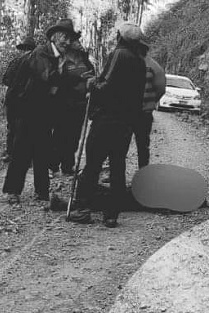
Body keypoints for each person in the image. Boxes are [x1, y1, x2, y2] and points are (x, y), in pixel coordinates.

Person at [70, 22, 147, 228]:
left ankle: (82, 209)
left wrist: (91, 83)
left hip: (107, 120)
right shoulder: (140, 61)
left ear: (120, 37)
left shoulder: (119, 54)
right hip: (126, 124)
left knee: (93, 165)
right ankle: (112, 214)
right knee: (117, 167)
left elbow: (106, 87)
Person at [2, 18, 75, 211]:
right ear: (54, 37)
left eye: (70, 39)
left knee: (42, 150)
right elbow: (46, 77)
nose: (67, 42)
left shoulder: (59, 56)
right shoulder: (41, 53)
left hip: (43, 111)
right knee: (22, 151)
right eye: (64, 37)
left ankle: (41, 191)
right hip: (27, 109)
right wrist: (61, 76)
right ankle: (12, 191)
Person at [52, 33, 95, 175]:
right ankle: (53, 165)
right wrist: (78, 79)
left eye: (78, 41)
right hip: (64, 104)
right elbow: (58, 81)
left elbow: (93, 76)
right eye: (75, 41)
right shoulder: (61, 60)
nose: (78, 43)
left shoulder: (84, 60)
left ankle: (68, 165)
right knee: (60, 134)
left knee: (74, 135)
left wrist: (90, 84)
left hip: (81, 104)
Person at [131, 39, 166, 169]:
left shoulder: (130, 62)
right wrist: (151, 101)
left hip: (130, 112)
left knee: (122, 146)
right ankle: (143, 173)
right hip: (144, 112)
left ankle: (118, 176)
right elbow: (161, 89)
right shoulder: (155, 66)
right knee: (143, 145)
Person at [2, 35, 36, 163]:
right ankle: (15, 154)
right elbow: (6, 79)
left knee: (17, 127)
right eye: (25, 49)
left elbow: (6, 80)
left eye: (27, 49)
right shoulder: (18, 62)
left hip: (21, 100)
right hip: (18, 99)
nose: (25, 51)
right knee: (17, 127)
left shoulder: (22, 62)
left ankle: (15, 154)